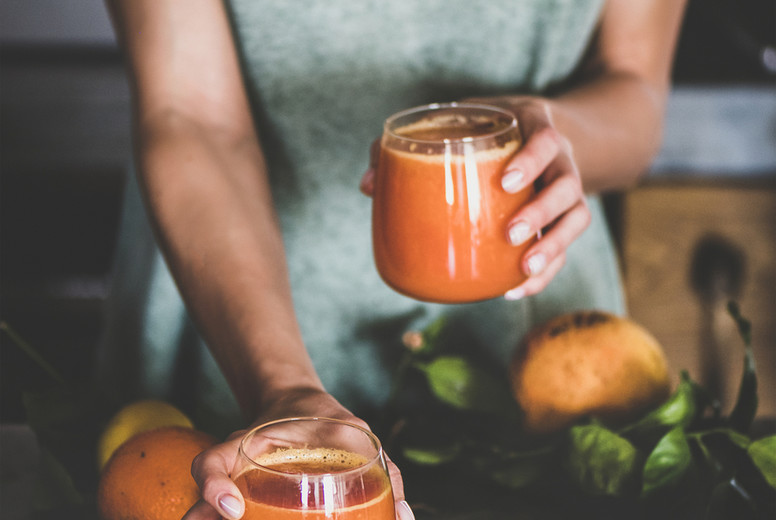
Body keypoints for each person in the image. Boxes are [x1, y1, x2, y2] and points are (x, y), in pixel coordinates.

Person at [97, 1, 687, 518]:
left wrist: (555, 135)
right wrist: (282, 390)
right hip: (236, 324)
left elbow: (635, 86)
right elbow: (190, 113)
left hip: (544, 357)